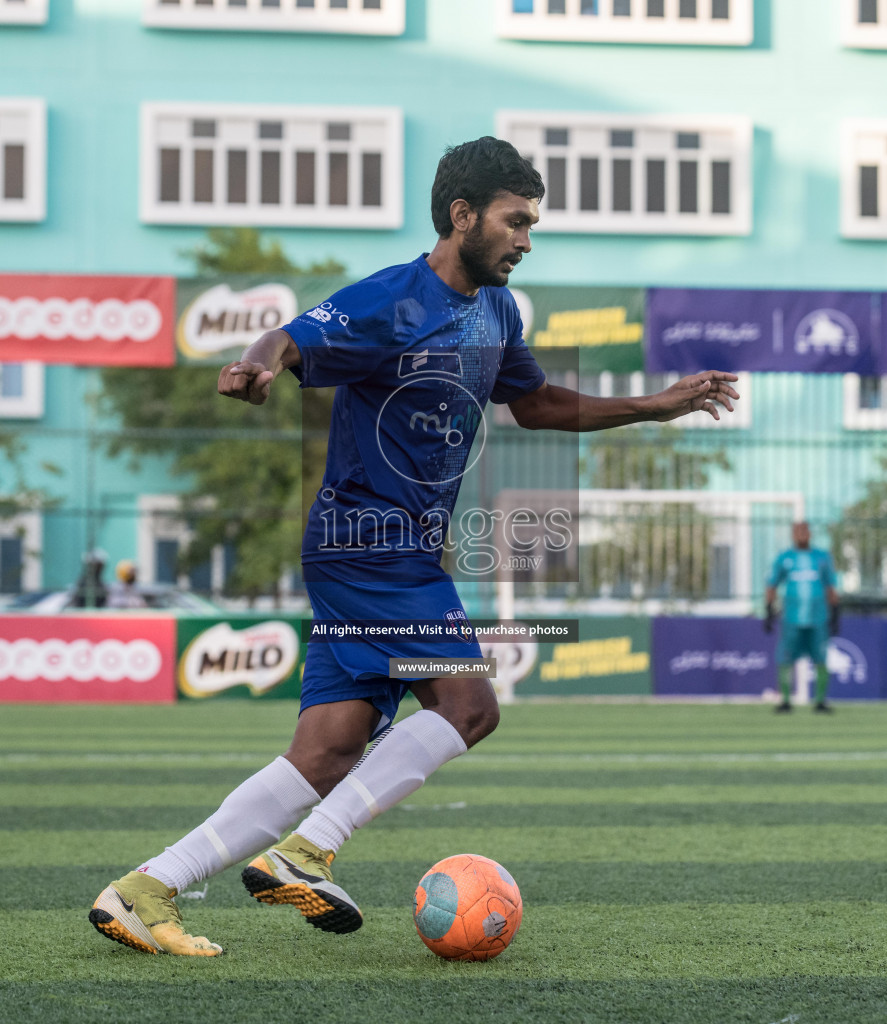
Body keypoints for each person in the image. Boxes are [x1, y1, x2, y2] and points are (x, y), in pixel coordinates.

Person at [88, 136, 740, 957]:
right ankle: (306, 852)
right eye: (515, 221)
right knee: (471, 706)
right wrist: (256, 364)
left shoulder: (499, 311)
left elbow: (535, 405)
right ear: (462, 215)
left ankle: (145, 889)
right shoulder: (395, 298)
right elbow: (292, 338)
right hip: (370, 545)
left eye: (533, 224)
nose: (526, 240)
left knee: (325, 752)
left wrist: (655, 406)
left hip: (387, 555)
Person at [763, 521, 840, 713]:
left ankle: (820, 701)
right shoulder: (784, 558)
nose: (801, 535)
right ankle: (786, 700)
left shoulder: (822, 557)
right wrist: (768, 611)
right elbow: (771, 584)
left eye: (804, 531)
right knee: (785, 658)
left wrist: (835, 614)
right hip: (791, 619)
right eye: (797, 531)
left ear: (810, 533)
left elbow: (831, 586)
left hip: (818, 618)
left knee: (821, 658)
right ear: (792, 534)